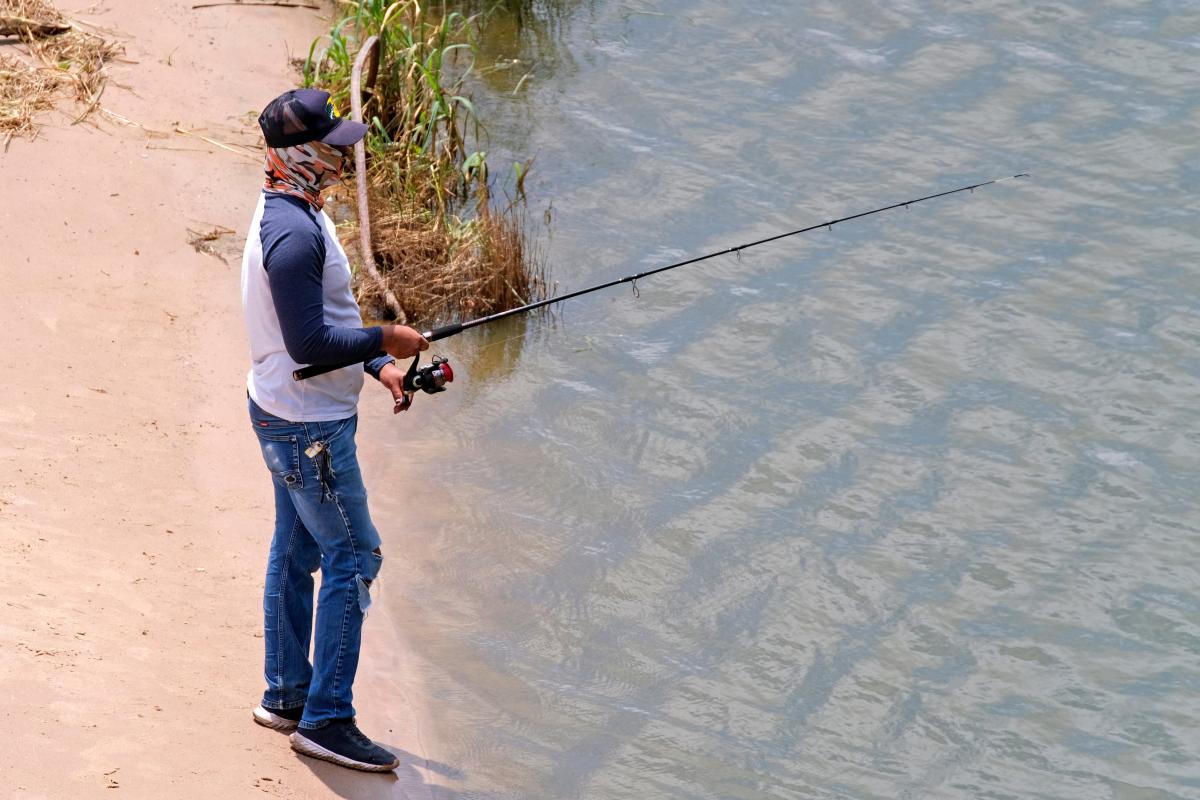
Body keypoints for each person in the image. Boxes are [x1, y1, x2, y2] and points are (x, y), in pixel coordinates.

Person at [240, 87, 428, 772]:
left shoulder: (294, 208)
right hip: (307, 428)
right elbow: (309, 342)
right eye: (333, 147)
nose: (345, 158)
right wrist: (389, 336)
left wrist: (378, 363)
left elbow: (324, 323)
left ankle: (287, 696)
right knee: (354, 555)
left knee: (295, 552)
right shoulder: (291, 236)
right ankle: (327, 719)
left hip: (287, 414)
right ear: (300, 155)